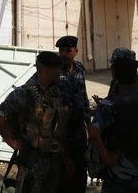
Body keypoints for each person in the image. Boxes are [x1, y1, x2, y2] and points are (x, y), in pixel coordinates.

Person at [0, 51, 72, 193]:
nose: (60, 72)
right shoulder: (24, 93)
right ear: (47, 70)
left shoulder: (56, 92)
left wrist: (66, 158)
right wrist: (13, 142)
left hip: (54, 165)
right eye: (57, 69)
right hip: (31, 168)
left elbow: (58, 129)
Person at [89, 48, 138, 193]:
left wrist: (106, 156)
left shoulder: (110, 104)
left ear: (115, 70)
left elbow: (93, 132)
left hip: (120, 173)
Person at [56, 36, 90, 193]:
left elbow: (83, 96)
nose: (63, 54)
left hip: (78, 130)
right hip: (59, 130)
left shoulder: (80, 69)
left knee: (80, 171)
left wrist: (89, 124)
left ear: (75, 51)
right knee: (61, 174)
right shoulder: (54, 71)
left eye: (68, 51)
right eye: (61, 50)